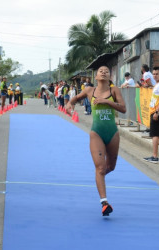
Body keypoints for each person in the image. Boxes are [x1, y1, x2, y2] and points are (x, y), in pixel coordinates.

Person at [66, 65, 126, 216]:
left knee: (110, 167)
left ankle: (99, 179)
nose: (104, 72)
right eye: (101, 71)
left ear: (109, 76)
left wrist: (106, 102)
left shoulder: (114, 90)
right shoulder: (89, 91)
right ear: (96, 76)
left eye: (107, 71)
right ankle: (104, 202)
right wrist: (69, 103)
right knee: (100, 168)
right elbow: (75, 98)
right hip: (97, 133)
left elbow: (123, 108)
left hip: (112, 133)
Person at [143, 66, 159, 165]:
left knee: (155, 136)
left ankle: (155, 156)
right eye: (153, 74)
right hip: (156, 112)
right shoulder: (158, 84)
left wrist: (157, 112)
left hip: (157, 112)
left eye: (157, 74)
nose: (155, 75)